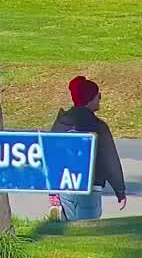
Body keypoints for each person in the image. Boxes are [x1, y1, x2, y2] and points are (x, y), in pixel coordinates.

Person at [47, 76, 127, 221]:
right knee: (87, 231)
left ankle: (60, 215)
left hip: (65, 187)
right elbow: (110, 160)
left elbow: (51, 158)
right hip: (90, 187)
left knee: (70, 229)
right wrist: (120, 191)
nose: (99, 99)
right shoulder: (98, 127)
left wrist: (52, 191)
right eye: (98, 96)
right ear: (90, 98)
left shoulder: (60, 124)